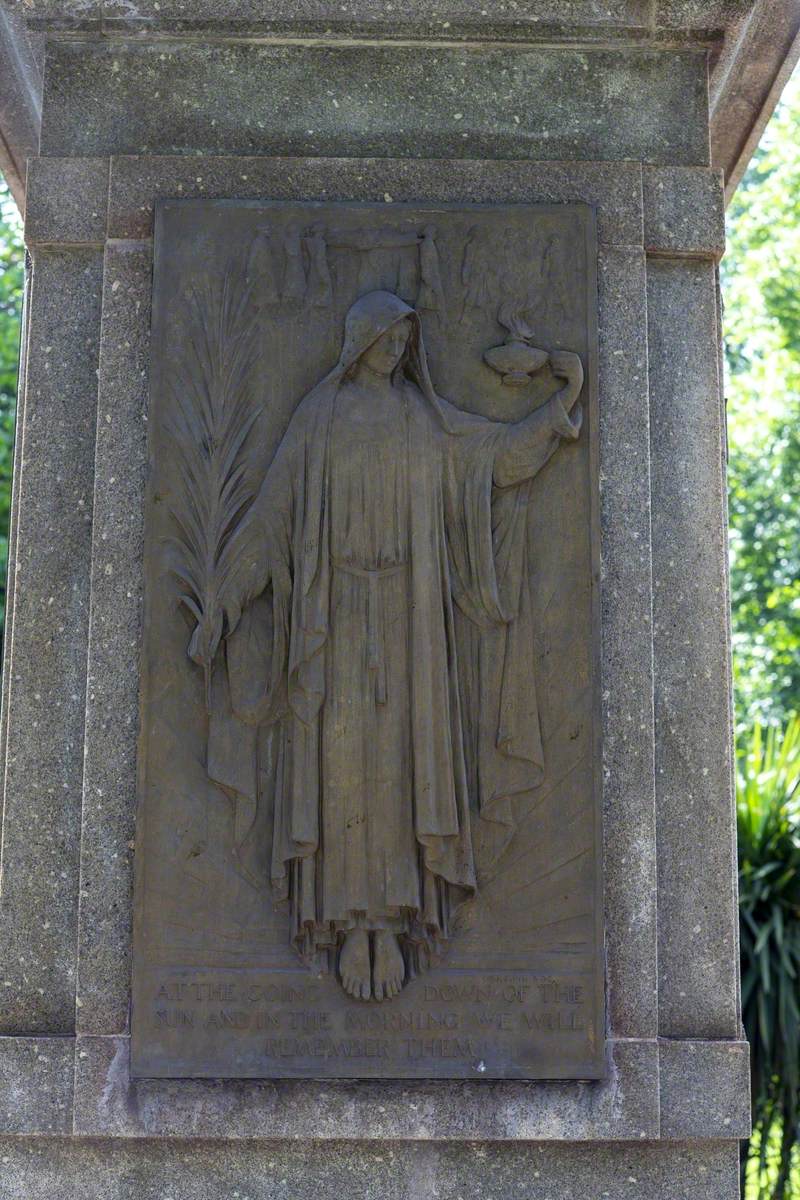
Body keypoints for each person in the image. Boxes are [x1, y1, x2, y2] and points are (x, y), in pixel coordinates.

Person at [190, 290, 583, 1002]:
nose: (397, 350)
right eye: (386, 338)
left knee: (400, 768)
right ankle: (348, 922)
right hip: (334, 618)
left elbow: (485, 460)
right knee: (343, 760)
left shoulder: (417, 417)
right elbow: (273, 519)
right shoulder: (320, 417)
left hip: (407, 623)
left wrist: (553, 418)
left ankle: (392, 921)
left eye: (406, 339)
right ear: (359, 340)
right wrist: (225, 601)